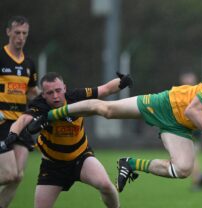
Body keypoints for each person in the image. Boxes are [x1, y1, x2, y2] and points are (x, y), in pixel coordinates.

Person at [41, 58, 202, 193]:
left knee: (183, 169)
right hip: (164, 105)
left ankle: (131, 164)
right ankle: (50, 115)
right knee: (105, 110)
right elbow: (193, 110)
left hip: (180, 127)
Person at [1, 71, 132, 208]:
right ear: (43, 94)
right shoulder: (39, 104)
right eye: (50, 93)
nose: (56, 96)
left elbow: (104, 89)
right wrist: (13, 134)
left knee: (106, 185)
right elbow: (22, 120)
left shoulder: (75, 96)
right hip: (53, 165)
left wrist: (122, 82)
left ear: (64, 87)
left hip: (81, 158)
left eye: (58, 90)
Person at [0, 16, 39, 207]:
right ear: (8, 32)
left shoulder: (29, 64)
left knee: (18, 177)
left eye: (24, 33)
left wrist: (50, 103)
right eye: (17, 33)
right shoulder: (1, 56)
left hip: (20, 122)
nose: (20, 37)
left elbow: (32, 91)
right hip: (2, 121)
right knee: (9, 174)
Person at [178, 71, 202, 191]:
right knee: (191, 157)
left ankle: (198, 179)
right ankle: (198, 179)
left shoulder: (185, 96)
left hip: (190, 132)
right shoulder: (199, 95)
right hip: (195, 132)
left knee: (190, 158)